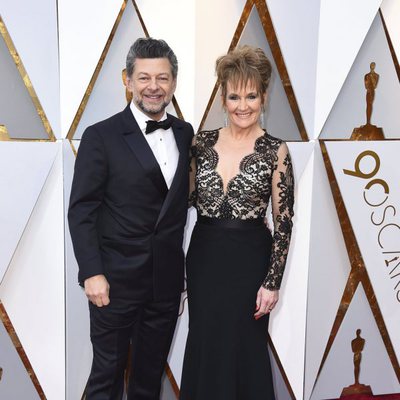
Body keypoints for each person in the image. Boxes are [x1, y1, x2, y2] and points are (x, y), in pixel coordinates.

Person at [68, 37, 194, 399]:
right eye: (143, 77)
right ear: (127, 80)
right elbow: (82, 210)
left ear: (173, 82)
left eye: (163, 78)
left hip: (166, 283)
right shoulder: (100, 136)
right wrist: (92, 272)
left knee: (148, 378)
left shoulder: (185, 134)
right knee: (106, 377)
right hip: (114, 282)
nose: (153, 87)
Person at [180, 45, 295, 399]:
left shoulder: (276, 151)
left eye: (251, 95)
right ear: (223, 98)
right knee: (205, 345)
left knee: (245, 349)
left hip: (250, 264)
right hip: (204, 260)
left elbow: (284, 221)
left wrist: (272, 282)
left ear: (263, 96)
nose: (242, 105)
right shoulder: (200, 143)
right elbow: (182, 203)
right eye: (234, 96)